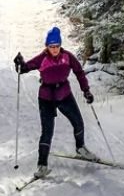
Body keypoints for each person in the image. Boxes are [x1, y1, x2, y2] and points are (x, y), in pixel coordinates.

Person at [14, 26, 98, 178]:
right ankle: (42, 165)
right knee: (47, 132)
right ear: (47, 46)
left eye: (57, 46)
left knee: (78, 122)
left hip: (65, 95)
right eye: (51, 46)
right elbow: (25, 68)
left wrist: (86, 90)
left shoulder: (68, 57)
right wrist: (19, 63)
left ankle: (81, 148)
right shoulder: (42, 58)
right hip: (46, 98)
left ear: (60, 45)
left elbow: (79, 72)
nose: (54, 49)